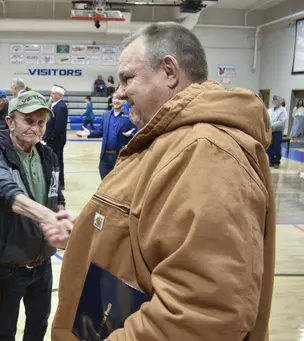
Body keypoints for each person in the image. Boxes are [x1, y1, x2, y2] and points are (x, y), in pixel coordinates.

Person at [52, 22, 276, 341]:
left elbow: (200, 313)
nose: (120, 92)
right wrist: (95, 231)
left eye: (128, 78)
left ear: (169, 71)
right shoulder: (172, 141)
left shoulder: (207, 153)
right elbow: (156, 230)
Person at [0, 90, 71, 341]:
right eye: (29, 121)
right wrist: (47, 217)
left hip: (42, 264)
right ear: (10, 122)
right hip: (8, 267)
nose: (36, 128)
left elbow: (56, 196)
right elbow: (0, 189)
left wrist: (60, 217)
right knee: (4, 333)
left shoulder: (49, 156)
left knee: (39, 326)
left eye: (41, 122)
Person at [78, 94, 137, 179]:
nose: (117, 101)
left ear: (124, 101)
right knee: (104, 185)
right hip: (105, 158)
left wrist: (131, 134)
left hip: (120, 158)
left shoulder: (130, 116)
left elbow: (137, 134)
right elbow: (101, 132)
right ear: (112, 100)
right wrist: (90, 133)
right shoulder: (106, 115)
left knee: (117, 185)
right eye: (115, 98)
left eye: (120, 99)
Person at [43, 85, 68, 189]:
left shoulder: (61, 107)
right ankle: (56, 181)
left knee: (57, 161)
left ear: (59, 95)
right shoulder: (54, 105)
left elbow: (59, 126)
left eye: (53, 93)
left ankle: (60, 183)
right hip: (52, 139)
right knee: (54, 161)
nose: (51, 95)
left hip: (56, 140)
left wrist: (50, 137)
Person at [266, 95, 288, 168]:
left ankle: (277, 162)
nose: (275, 102)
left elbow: (282, 122)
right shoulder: (269, 110)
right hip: (269, 131)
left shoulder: (283, 110)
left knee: (277, 147)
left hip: (277, 132)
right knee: (269, 147)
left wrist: (271, 125)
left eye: (276, 100)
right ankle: (271, 161)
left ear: (280, 102)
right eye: (274, 100)